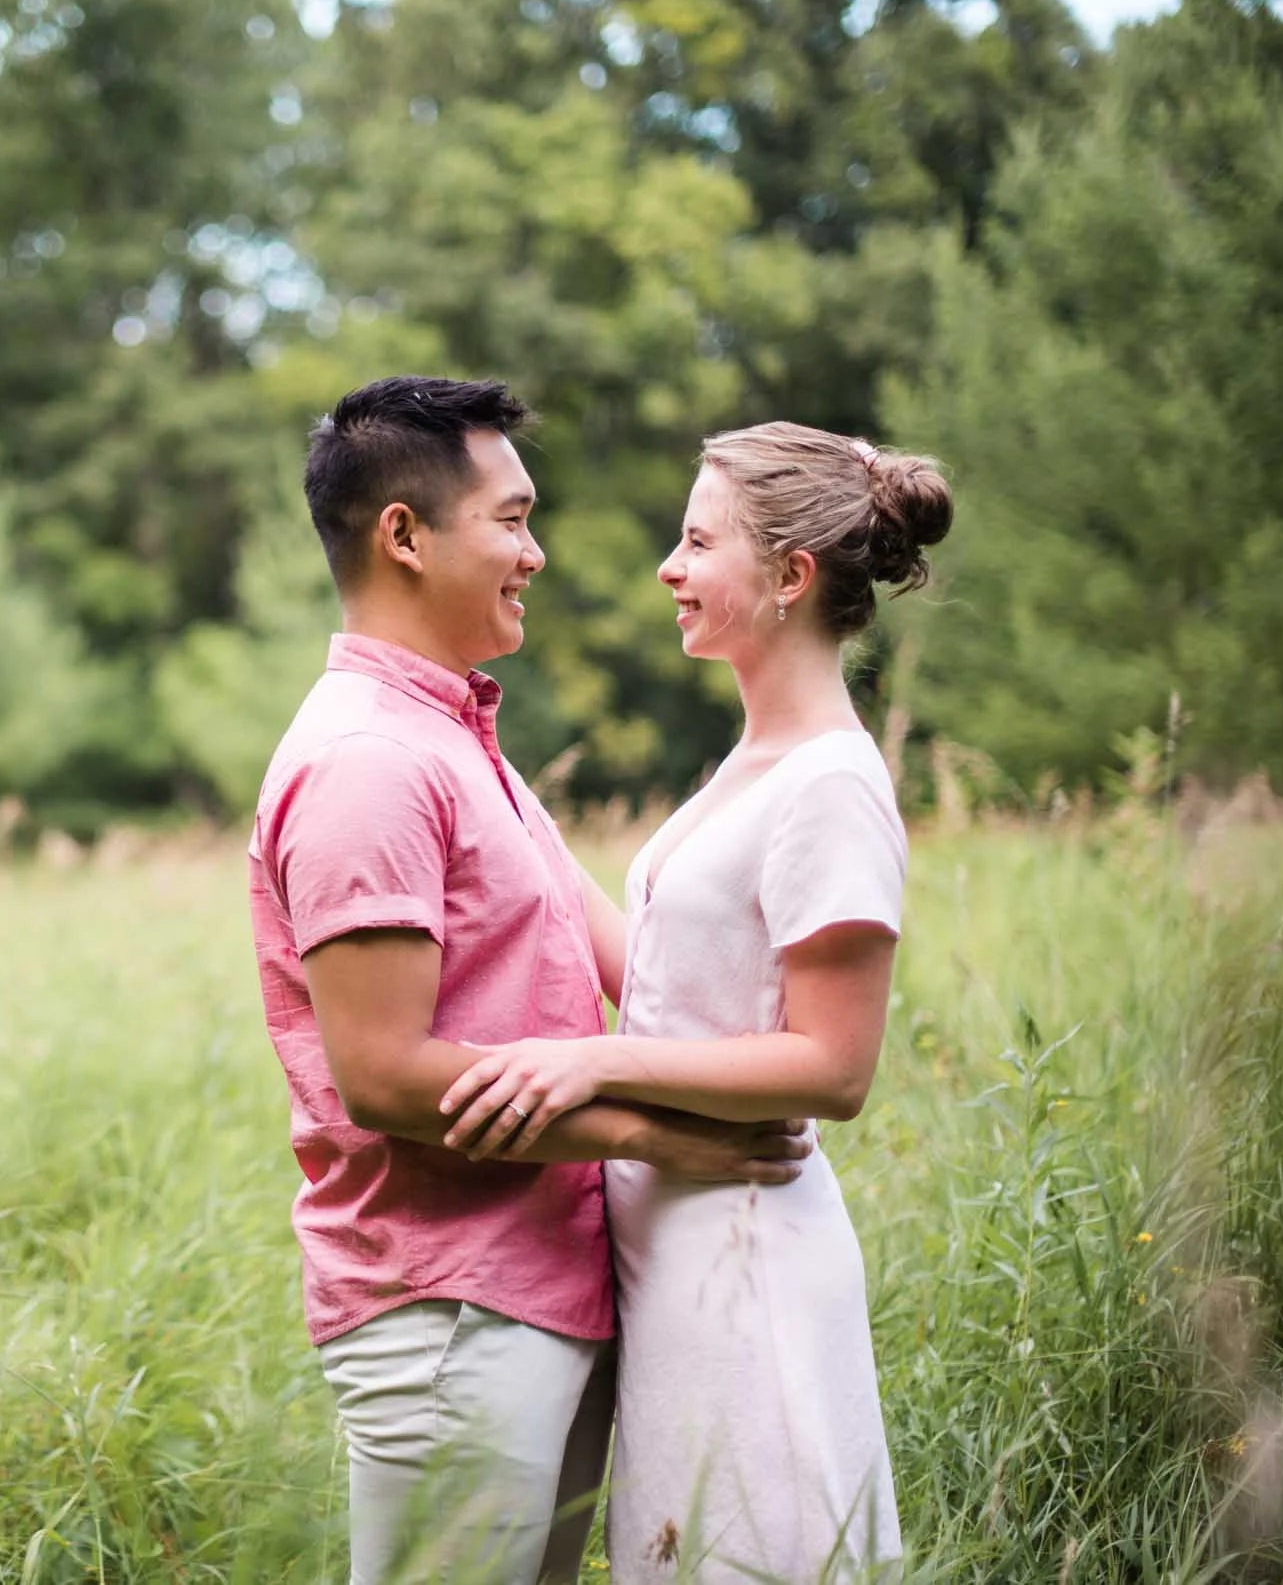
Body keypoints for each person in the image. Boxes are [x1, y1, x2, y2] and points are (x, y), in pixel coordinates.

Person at [248, 377, 817, 1585]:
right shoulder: (367, 763)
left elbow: (636, 964)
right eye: (510, 520)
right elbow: (387, 1074)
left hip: (535, 1296)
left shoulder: (455, 743)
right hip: (449, 1315)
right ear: (404, 535)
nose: (534, 552)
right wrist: (661, 1138)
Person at [439, 421, 955, 1583]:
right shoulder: (754, 762)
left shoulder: (830, 783)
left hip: (750, 1259)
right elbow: (675, 983)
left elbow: (832, 1066)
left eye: (695, 541)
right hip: (677, 1261)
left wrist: (594, 1062)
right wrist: (516, 816)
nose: (667, 568)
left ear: (788, 576)